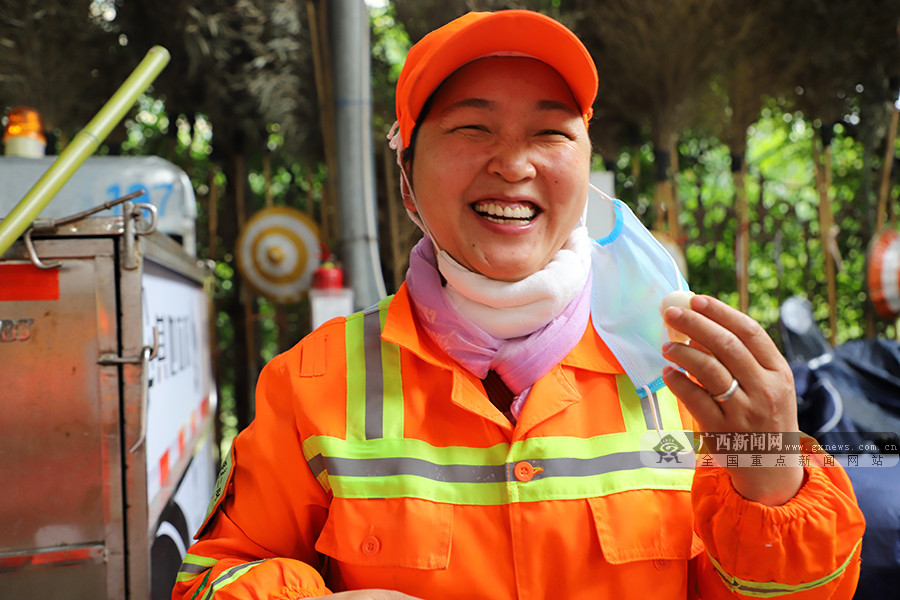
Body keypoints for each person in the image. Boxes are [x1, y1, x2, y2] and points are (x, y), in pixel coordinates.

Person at [173, 10, 864, 600]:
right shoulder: (310, 384)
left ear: (586, 168)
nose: (514, 164)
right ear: (407, 181)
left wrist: (774, 484)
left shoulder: (690, 372)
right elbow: (212, 576)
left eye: (550, 133)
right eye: (472, 129)